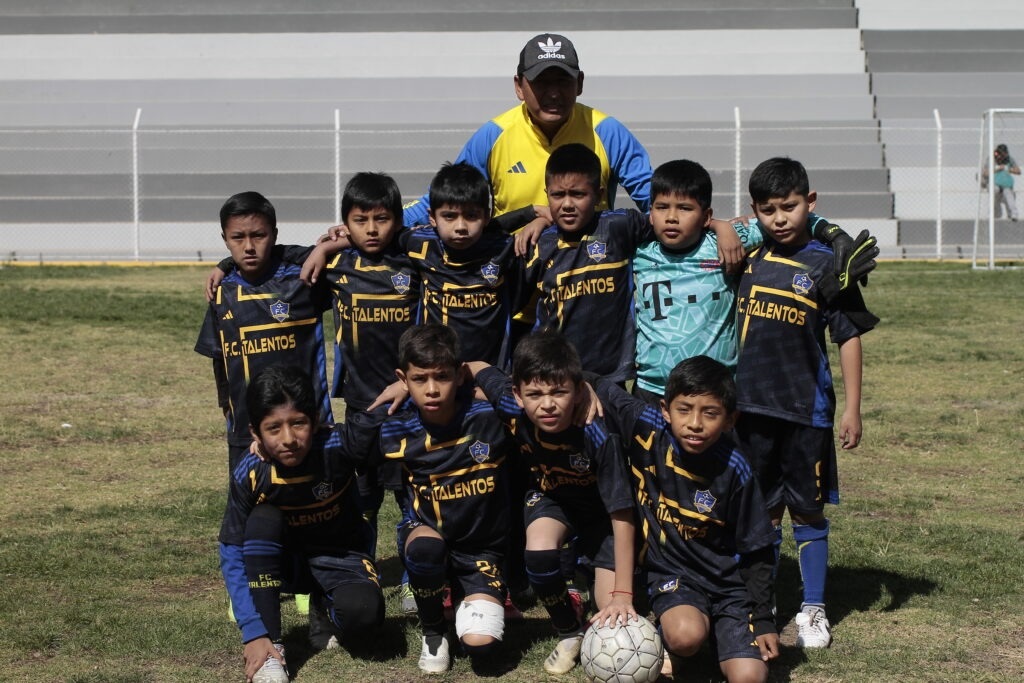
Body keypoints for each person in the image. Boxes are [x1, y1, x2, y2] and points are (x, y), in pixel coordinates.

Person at [735, 157, 878, 649]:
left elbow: (848, 338)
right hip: (750, 410)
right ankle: (765, 601)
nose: (779, 218)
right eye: (768, 209)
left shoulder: (827, 262)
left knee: (808, 512)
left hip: (806, 413)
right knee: (765, 513)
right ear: (755, 211)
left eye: (789, 207)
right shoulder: (749, 257)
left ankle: (813, 608)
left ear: (809, 203)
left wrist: (852, 407)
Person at [338, 324, 515, 674]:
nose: (432, 389)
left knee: (480, 645)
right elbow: (348, 448)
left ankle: (469, 597)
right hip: (427, 532)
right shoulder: (396, 427)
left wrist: (479, 371)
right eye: (420, 379)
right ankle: (433, 631)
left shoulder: (488, 417)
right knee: (424, 549)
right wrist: (383, 404)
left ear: (458, 374)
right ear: (403, 378)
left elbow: (518, 400)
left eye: (442, 377)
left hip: (482, 548)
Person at [592, 356, 779, 683]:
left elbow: (758, 548)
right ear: (665, 409)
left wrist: (762, 620)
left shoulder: (736, 470)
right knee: (684, 636)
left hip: (728, 587)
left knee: (750, 677)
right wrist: (583, 386)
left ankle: (723, 635)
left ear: (731, 419)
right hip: (674, 574)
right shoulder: (645, 425)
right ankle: (682, 643)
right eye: (684, 409)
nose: (695, 423)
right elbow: (598, 382)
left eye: (710, 413)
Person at [467, 330, 637, 675]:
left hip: (603, 517)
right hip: (552, 499)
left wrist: (623, 593)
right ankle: (568, 629)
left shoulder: (597, 432)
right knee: (539, 551)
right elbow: (473, 365)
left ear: (577, 390)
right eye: (535, 394)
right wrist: (402, 387)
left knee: (612, 615)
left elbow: (622, 514)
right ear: (517, 394)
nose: (547, 403)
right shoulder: (508, 402)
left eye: (559, 392)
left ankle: (612, 591)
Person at [632, 159, 867, 404]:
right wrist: (719, 224)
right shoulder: (637, 249)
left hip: (715, 391)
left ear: (706, 216)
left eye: (685, 208)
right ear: (650, 213)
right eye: (661, 207)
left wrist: (835, 234)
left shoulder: (731, 241)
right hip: (650, 388)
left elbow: (791, 212)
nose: (671, 217)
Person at [524, 144, 755, 385]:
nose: (568, 204)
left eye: (578, 194)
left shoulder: (620, 226)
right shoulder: (539, 245)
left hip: (612, 377)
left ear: (599, 194)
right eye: (558, 195)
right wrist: (531, 218)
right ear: (547, 194)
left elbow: (677, 221)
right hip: (556, 373)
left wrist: (722, 226)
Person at [219, 364, 383, 683]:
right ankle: (270, 647)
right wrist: (253, 632)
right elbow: (232, 550)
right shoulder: (251, 472)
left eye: (298, 423)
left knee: (365, 615)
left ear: (317, 421)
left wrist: (403, 388)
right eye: (273, 428)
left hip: (340, 555)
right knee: (264, 518)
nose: (289, 439)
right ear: (255, 433)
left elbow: (393, 423)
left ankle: (325, 607)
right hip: (284, 564)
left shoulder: (339, 446)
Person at [401, 33, 654, 228]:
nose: (553, 93)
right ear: (519, 86)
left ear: (579, 84)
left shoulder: (607, 131)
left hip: (587, 275)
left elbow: (655, 202)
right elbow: (444, 199)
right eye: (541, 82)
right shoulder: (493, 135)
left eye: (563, 81)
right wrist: (385, 217)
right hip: (513, 277)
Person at [194, 191, 333, 474]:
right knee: (250, 509)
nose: (249, 247)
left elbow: (358, 251)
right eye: (237, 238)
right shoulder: (222, 292)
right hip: (246, 429)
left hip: (307, 426)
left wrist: (324, 249)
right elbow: (220, 360)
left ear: (274, 234)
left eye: (259, 236)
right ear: (224, 239)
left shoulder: (303, 277)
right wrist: (227, 409)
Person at [981, 143, 1020, 221]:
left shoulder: (1009, 159)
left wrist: (1008, 169)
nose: (1003, 157)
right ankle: (995, 213)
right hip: (994, 183)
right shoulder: (991, 159)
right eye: (1002, 155)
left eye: (1004, 155)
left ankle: (1013, 214)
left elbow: (1018, 171)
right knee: (994, 191)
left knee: (1009, 194)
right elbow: (985, 173)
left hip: (1005, 184)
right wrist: (997, 168)